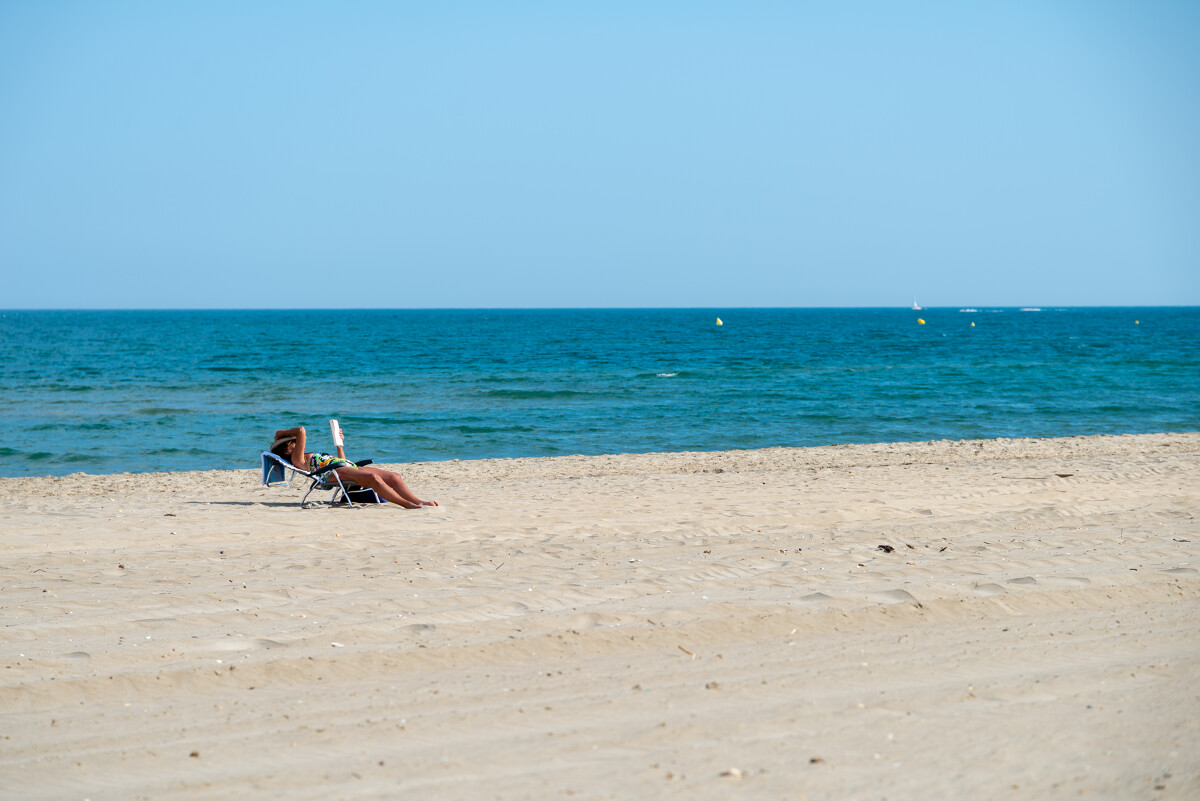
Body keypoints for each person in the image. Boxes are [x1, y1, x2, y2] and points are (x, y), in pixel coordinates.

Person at [270, 425, 437, 509]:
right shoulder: (297, 459)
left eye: (293, 442)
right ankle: (406, 504)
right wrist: (285, 436)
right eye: (290, 443)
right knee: (372, 478)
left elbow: (341, 461)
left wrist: (339, 444)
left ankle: (418, 501)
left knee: (394, 477)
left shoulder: (305, 455)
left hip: (343, 468)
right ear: (285, 450)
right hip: (329, 475)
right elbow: (301, 430)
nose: (294, 443)